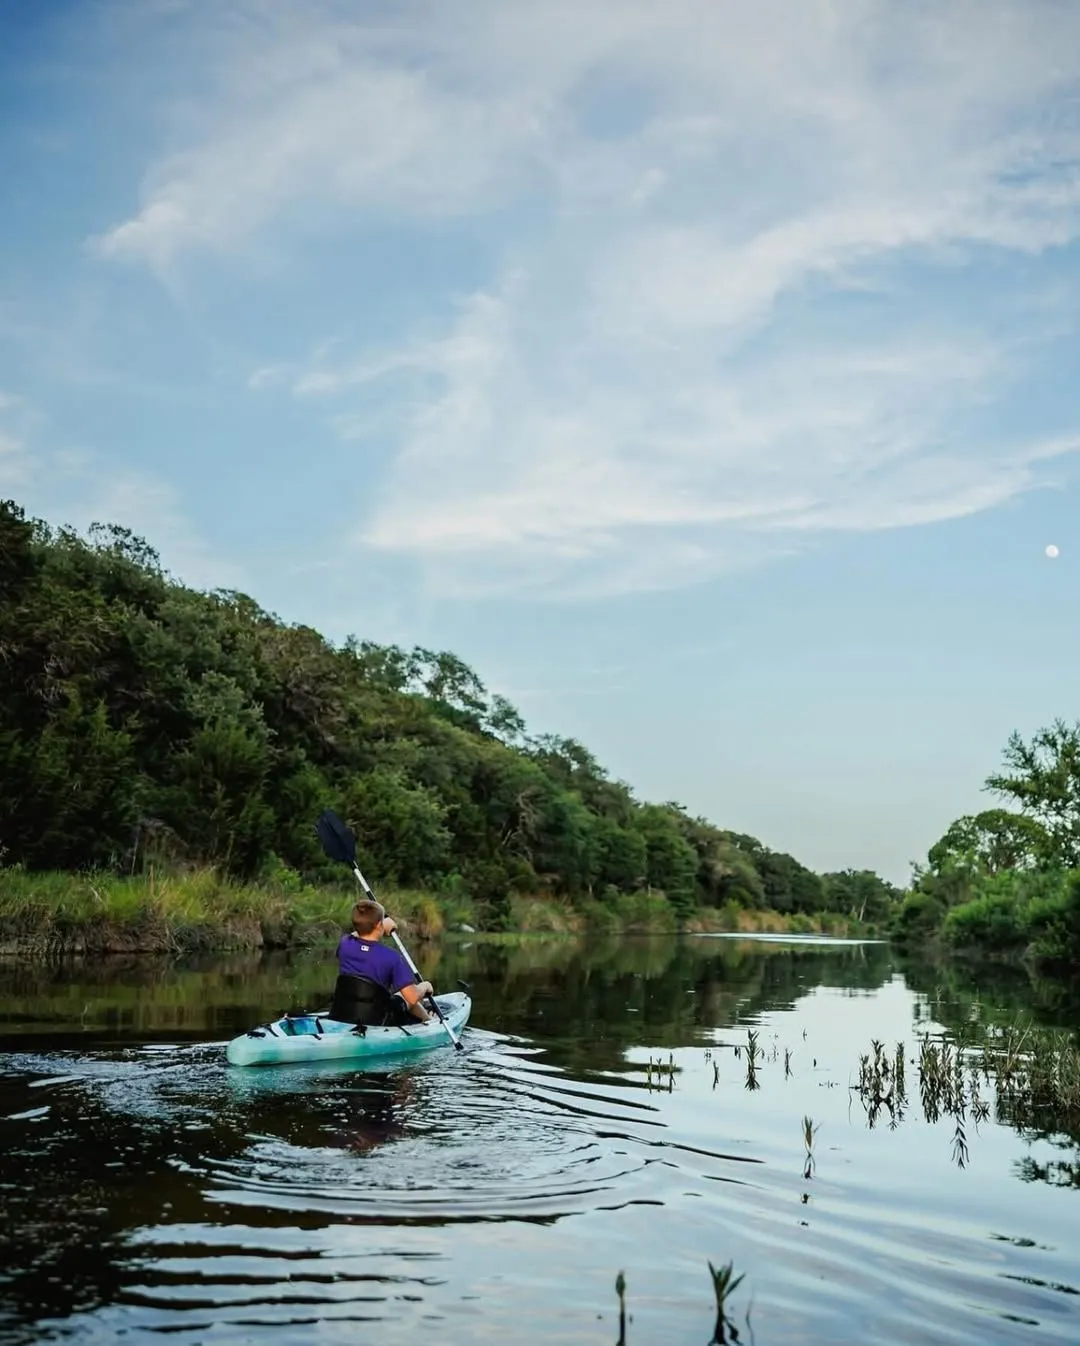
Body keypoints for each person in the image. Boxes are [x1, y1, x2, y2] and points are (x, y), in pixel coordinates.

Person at [328, 898, 434, 1026]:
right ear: (379, 925)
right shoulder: (391, 957)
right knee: (405, 997)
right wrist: (424, 987)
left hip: (343, 1013)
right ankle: (429, 1022)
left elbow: (357, 933)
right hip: (377, 1019)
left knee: (401, 997)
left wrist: (377, 925)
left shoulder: (345, 944)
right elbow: (411, 997)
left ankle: (427, 1019)